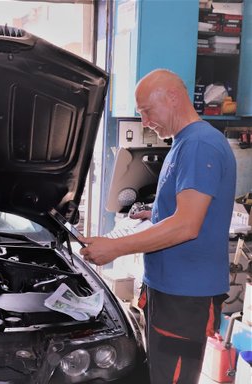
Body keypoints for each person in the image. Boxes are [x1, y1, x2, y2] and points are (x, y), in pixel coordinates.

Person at [80, 69, 236, 384]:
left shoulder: (200, 145)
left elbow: (186, 226)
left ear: (173, 97)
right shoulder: (185, 142)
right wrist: (154, 211)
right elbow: (188, 208)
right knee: (159, 374)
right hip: (170, 289)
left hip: (184, 295)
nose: (146, 121)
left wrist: (115, 247)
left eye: (147, 111)